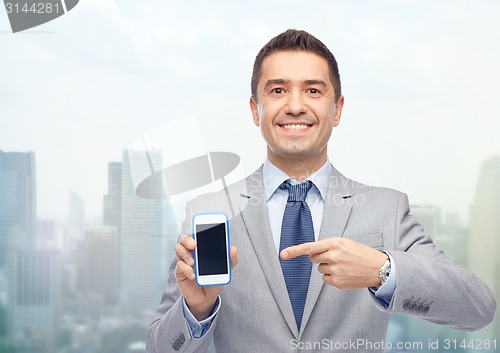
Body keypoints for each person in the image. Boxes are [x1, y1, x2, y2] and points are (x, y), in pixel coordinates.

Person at [147, 29, 496, 353]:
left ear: (337, 109)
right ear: (256, 109)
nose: (295, 106)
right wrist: (197, 308)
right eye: (277, 90)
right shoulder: (209, 210)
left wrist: (383, 270)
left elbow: (477, 308)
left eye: (313, 90)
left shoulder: (386, 209)